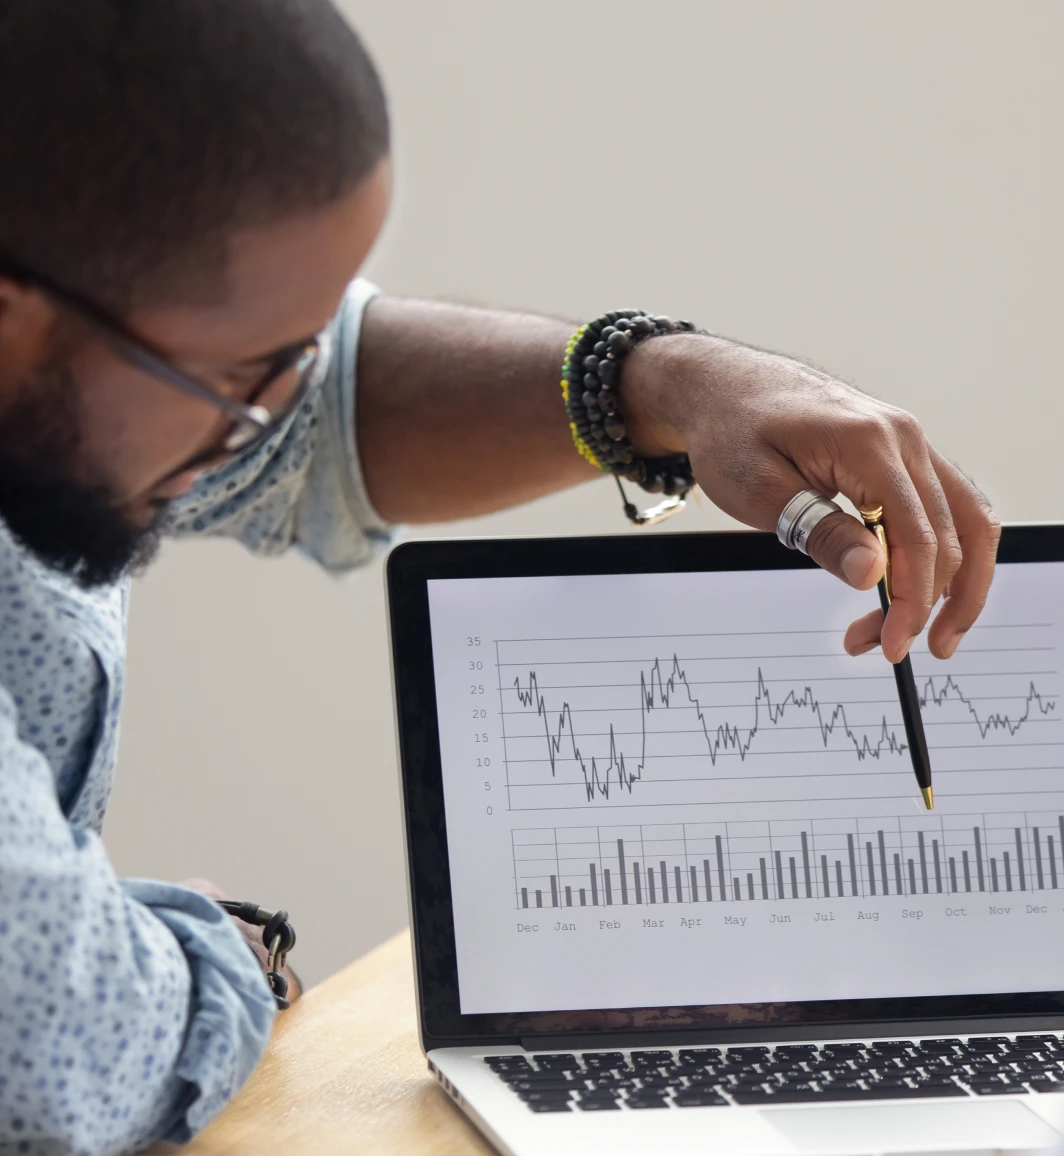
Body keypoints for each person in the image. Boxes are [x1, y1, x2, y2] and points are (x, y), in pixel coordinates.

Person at [0, 2, 999, 1153]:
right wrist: (221, 948)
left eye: (300, 353)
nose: (271, 417)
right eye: (240, 380)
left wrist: (667, 384)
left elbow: (323, 418)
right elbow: (55, 1045)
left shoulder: (82, 355)